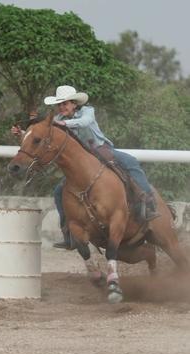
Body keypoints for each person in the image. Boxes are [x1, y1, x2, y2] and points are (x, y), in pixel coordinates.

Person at [12, 85, 159, 250]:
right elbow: (41, 138)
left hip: (101, 149)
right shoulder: (57, 121)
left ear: (74, 104)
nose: (62, 107)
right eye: (60, 104)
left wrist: (61, 122)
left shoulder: (86, 112)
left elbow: (84, 122)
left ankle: (148, 202)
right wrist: (23, 134)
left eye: (65, 103)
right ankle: (68, 232)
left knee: (131, 162)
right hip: (81, 161)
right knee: (59, 191)